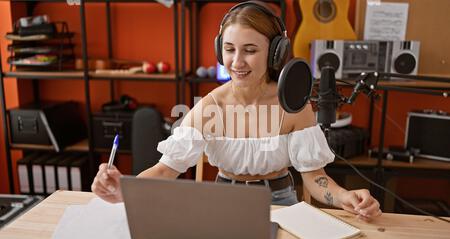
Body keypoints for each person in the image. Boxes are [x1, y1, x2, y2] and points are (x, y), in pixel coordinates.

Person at [92, 1, 381, 221]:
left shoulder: (294, 106)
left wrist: (345, 196)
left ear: (275, 52)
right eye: (230, 49)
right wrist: (123, 190)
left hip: (280, 203)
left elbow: (313, 176)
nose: (237, 62)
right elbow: (167, 169)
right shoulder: (209, 106)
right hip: (222, 203)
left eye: (250, 50)